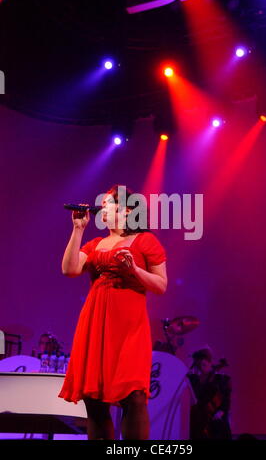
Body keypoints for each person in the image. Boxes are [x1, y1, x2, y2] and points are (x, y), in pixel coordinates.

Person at [58, 185, 168, 440]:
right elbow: (70, 269)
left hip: (129, 325)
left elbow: (161, 285)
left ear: (127, 210)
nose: (101, 208)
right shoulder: (96, 243)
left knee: (134, 395)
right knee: (94, 399)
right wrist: (78, 229)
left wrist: (135, 271)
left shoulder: (145, 240)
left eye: (107, 203)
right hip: (96, 321)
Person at [187, 348, 232, 440]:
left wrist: (221, 411)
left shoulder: (220, 380)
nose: (201, 368)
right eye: (199, 365)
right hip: (199, 423)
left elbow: (225, 399)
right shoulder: (194, 380)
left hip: (216, 422)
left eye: (204, 364)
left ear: (210, 363)